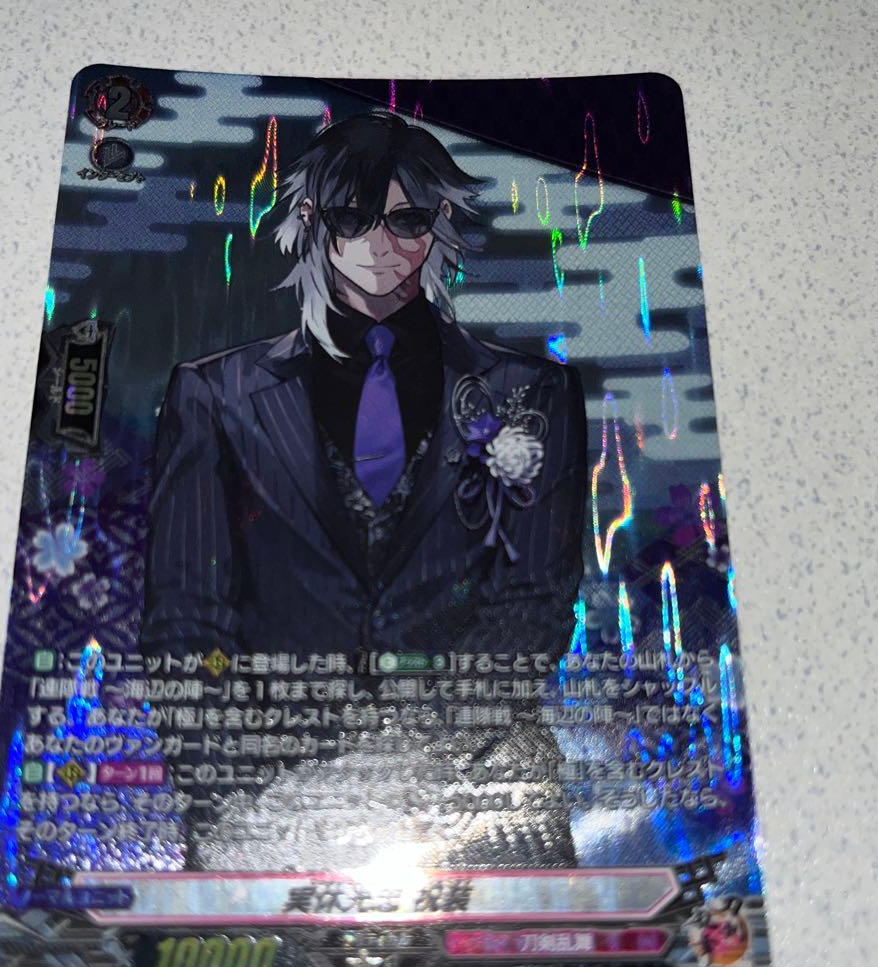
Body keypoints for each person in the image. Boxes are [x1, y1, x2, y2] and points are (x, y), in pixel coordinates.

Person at [141, 110, 588, 870]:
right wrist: (236, 781)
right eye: (353, 218)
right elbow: (186, 618)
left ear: (440, 223)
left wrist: (416, 751)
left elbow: (535, 601)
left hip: (478, 770)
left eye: (406, 220)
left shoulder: (530, 391)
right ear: (312, 221)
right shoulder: (216, 394)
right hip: (269, 785)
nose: (380, 246)